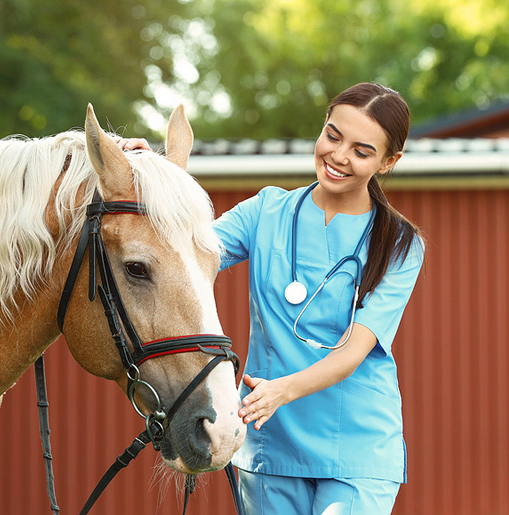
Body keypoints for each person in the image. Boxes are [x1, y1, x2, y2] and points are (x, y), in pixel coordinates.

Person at [118, 82, 424, 515]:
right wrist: (150, 174)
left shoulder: (400, 244)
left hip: (357, 448)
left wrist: (282, 390)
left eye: (361, 151)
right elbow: (179, 253)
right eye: (333, 136)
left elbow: (355, 352)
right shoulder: (264, 213)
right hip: (269, 447)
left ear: (389, 161)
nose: (338, 156)